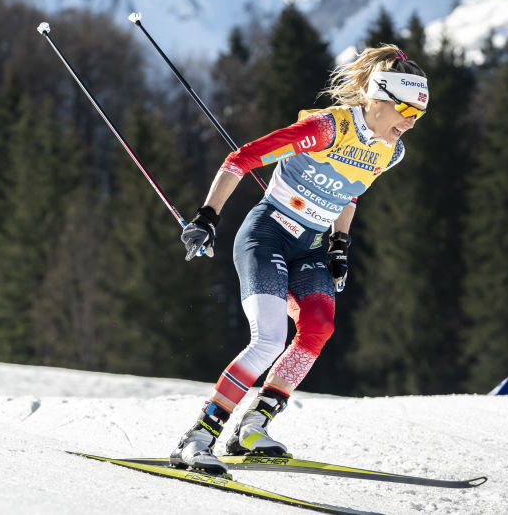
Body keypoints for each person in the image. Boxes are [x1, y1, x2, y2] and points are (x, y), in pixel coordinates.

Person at [171, 44, 429, 473]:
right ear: (379, 99)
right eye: (407, 111)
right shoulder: (327, 129)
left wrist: (339, 243)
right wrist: (207, 217)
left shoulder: (390, 151)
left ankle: (253, 426)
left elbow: (351, 191)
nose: (411, 123)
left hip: (309, 246)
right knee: (268, 340)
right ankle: (198, 436)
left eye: (419, 116)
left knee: (319, 328)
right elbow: (242, 159)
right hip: (267, 234)